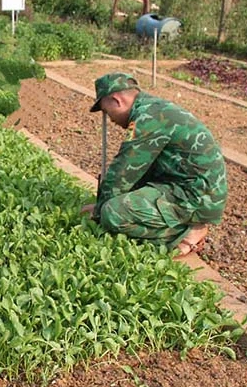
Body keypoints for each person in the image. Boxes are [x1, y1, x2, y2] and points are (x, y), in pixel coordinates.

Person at [80, 72, 227, 256]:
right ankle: (184, 223)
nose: (110, 119)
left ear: (116, 100)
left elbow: (123, 171)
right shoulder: (152, 108)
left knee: (113, 214)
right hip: (186, 184)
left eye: (108, 112)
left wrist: (101, 209)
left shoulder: (148, 118)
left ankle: (188, 232)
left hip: (194, 195)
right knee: (121, 200)